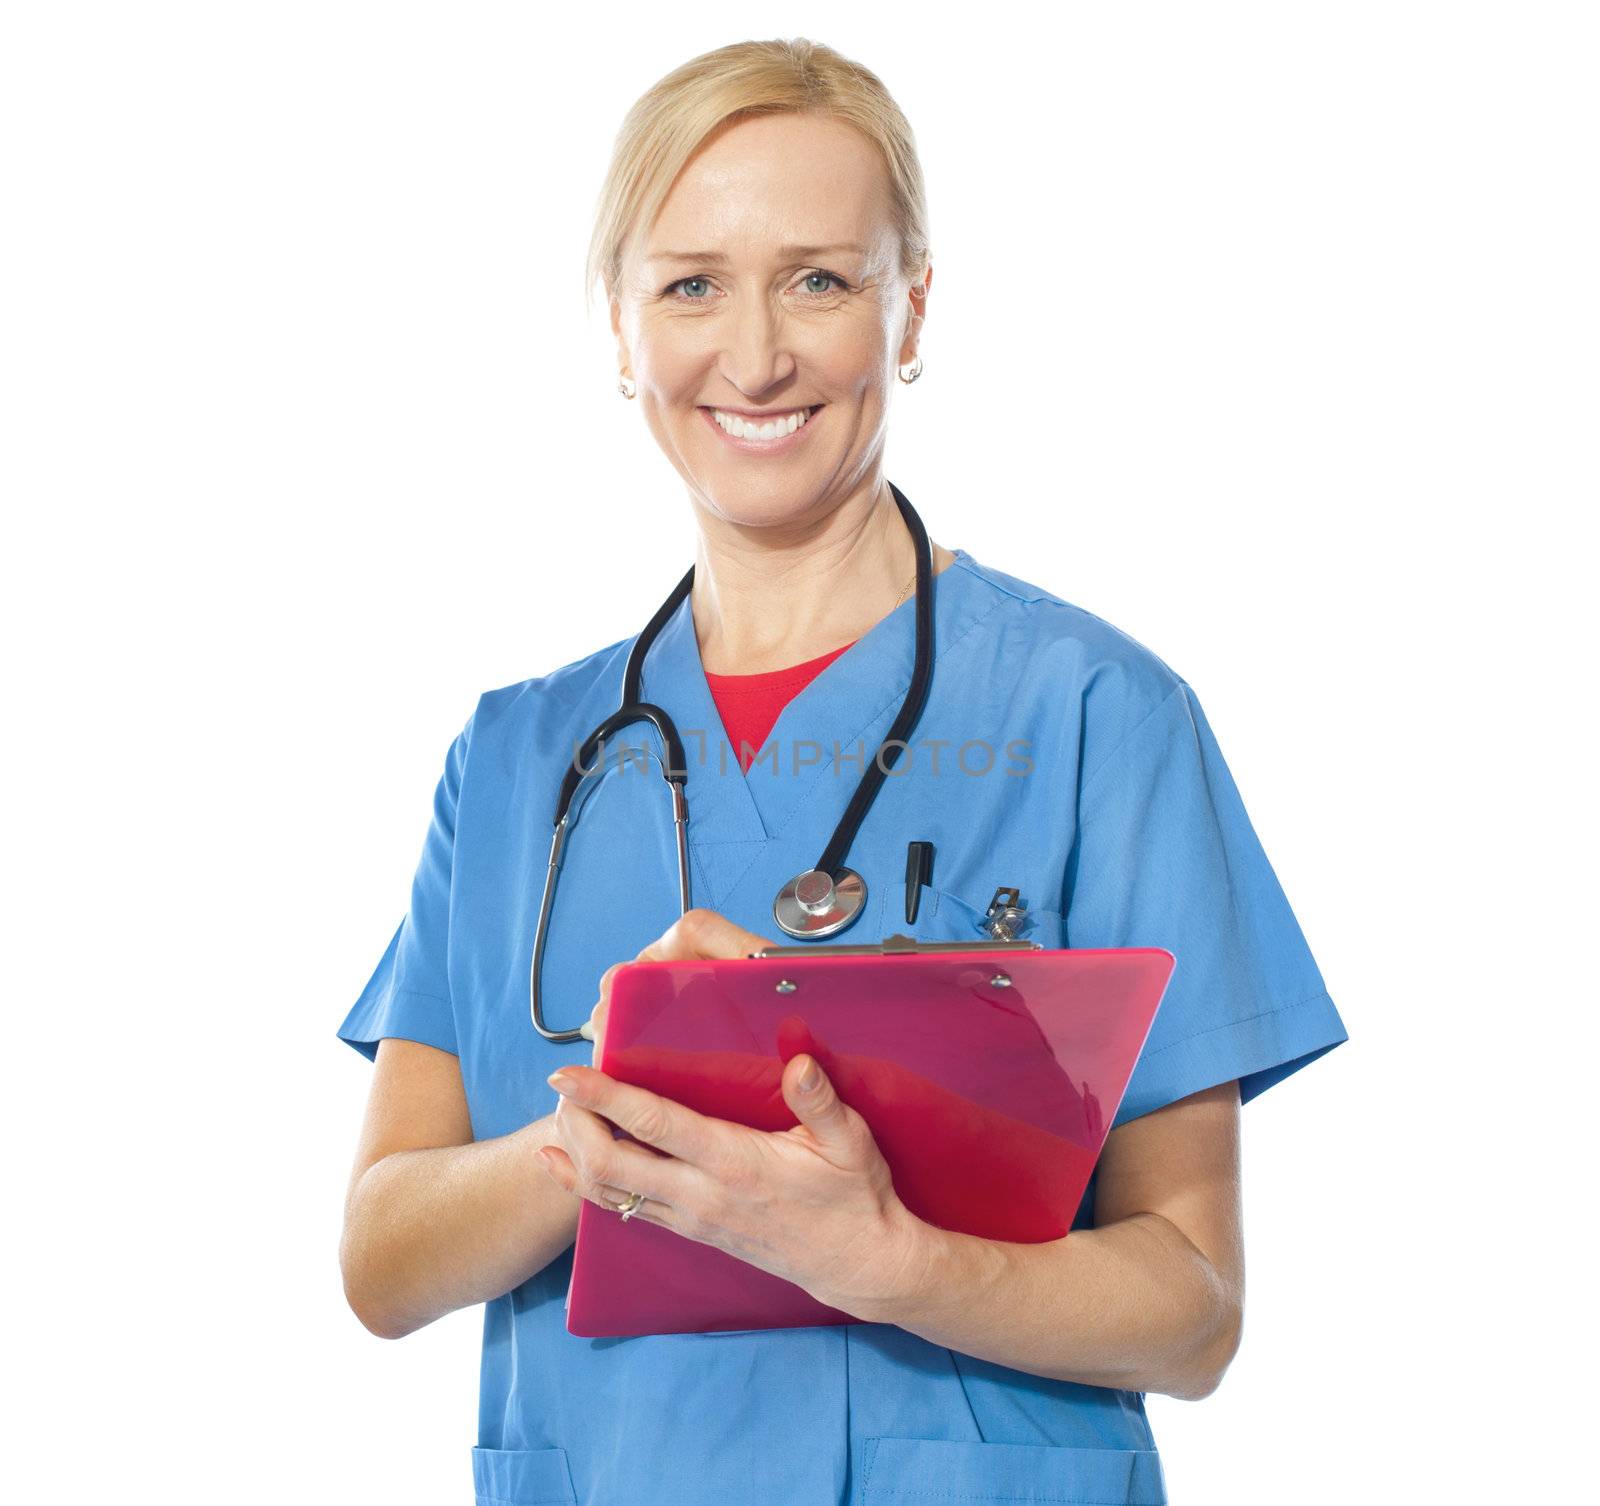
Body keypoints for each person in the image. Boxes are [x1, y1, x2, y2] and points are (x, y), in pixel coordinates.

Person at [336, 37, 1349, 1506]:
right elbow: (379, 1258)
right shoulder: (514, 763)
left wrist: (899, 1264)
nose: (754, 355)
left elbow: (1193, 1308)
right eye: (690, 284)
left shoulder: (1094, 718)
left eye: (819, 277)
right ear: (620, 329)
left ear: (912, 305)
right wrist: (605, 1127)